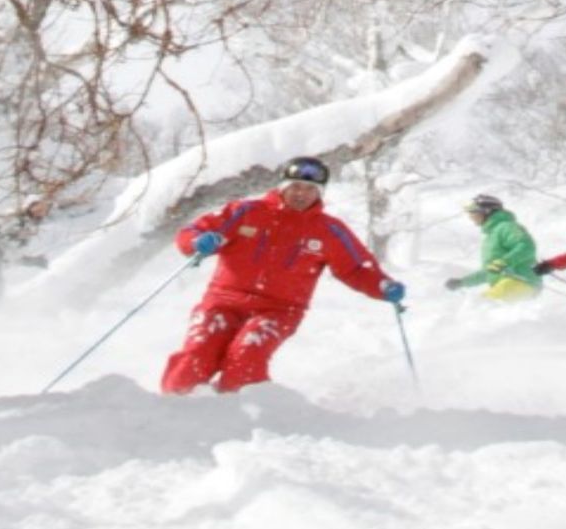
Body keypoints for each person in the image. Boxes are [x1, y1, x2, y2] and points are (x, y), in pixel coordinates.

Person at [160, 156, 404, 394]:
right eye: (295, 187)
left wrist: (382, 286)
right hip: (223, 302)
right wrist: (197, 242)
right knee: (198, 355)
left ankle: (239, 412)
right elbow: (192, 232)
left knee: (246, 355)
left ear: (320, 193)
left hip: (278, 310)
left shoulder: (329, 230)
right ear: (282, 187)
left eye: (310, 189)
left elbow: (355, 268)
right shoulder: (245, 212)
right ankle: (173, 407)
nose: (302, 194)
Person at [442, 193, 543, 300]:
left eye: (473, 212)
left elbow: (526, 246)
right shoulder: (491, 236)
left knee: (479, 307)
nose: (470, 216)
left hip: (519, 281)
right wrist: (462, 282)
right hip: (508, 284)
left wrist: (504, 262)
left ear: (486, 211)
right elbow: (490, 271)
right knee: (477, 308)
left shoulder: (506, 226)